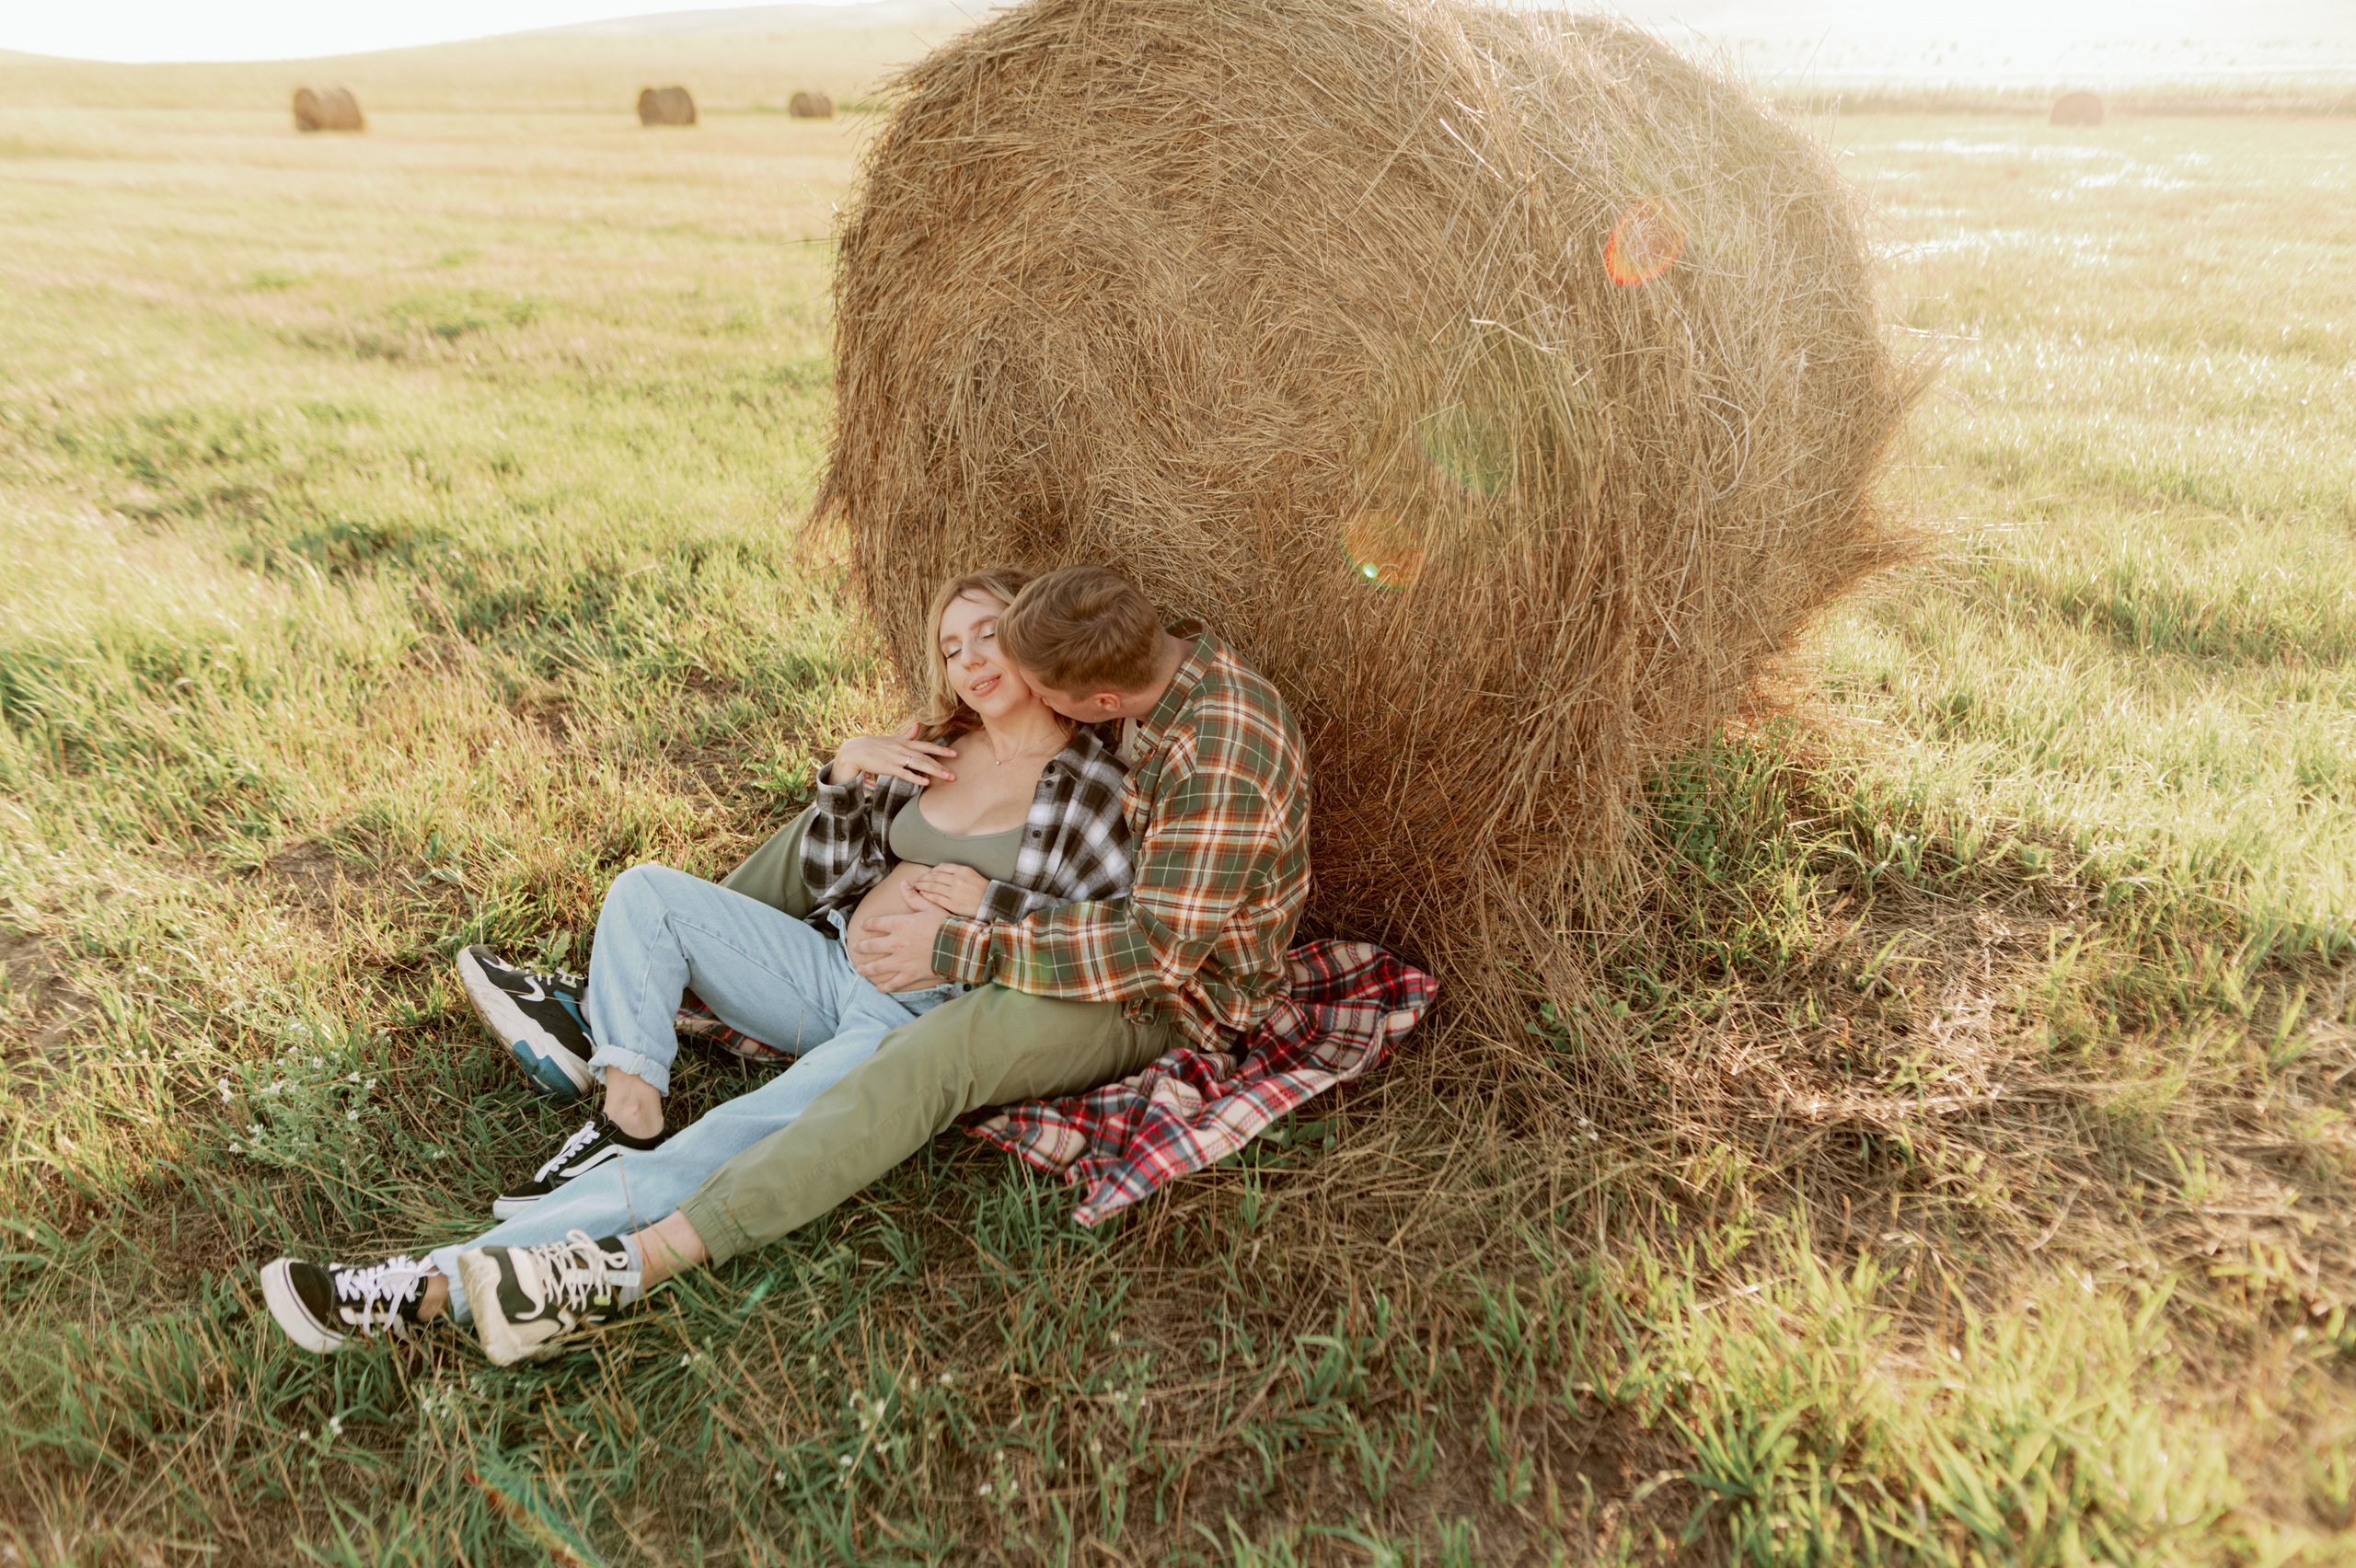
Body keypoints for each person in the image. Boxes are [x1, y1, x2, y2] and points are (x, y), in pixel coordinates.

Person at [258, 565, 1134, 1355]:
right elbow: (830, 873)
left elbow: (1095, 941)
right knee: (647, 892)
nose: (970, 659)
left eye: (990, 633)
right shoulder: (936, 747)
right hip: (827, 970)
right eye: (951, 645)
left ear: (1034, 638)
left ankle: (426, 1284)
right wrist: (846, 776)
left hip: (908, 1022)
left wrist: (980, 916)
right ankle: (627, 1109)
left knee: (721, 1144)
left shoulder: (1089, 786)